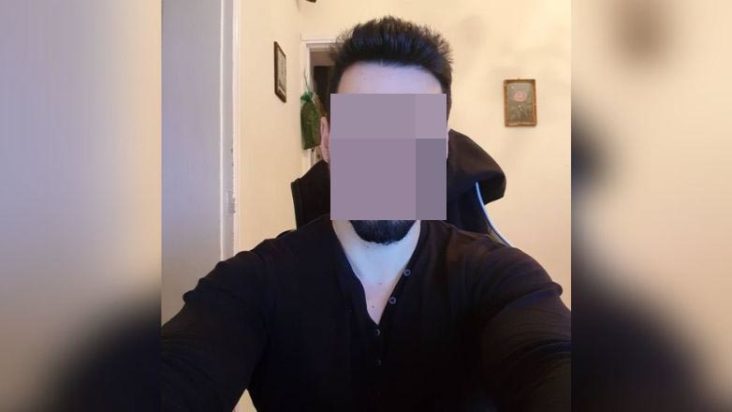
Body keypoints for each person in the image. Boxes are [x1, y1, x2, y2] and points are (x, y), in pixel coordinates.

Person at [162, 16, 570, 411]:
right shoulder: (255, 282)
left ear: (442, 148)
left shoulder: (500, 277)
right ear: (327, 140)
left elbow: (553, 363)